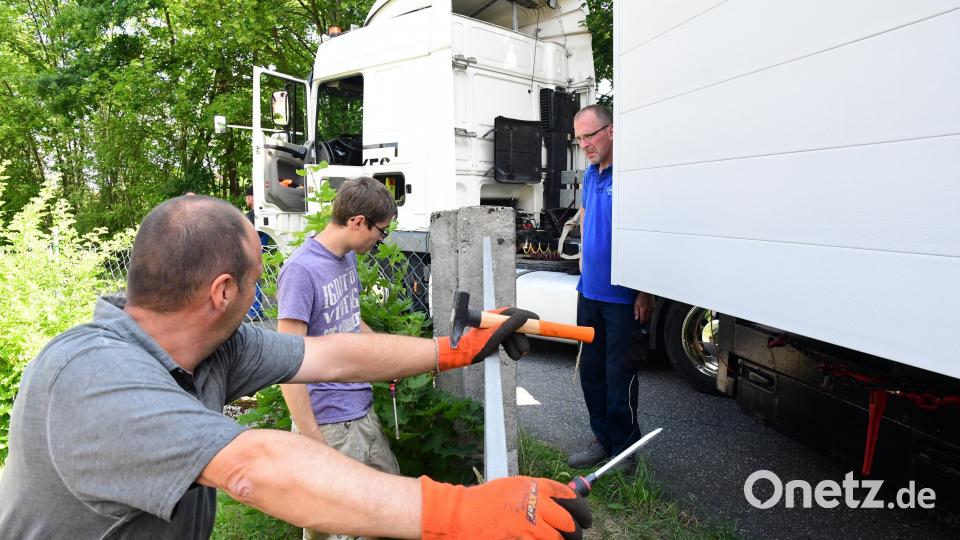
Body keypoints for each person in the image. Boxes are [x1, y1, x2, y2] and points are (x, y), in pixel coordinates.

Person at [0, 195, 592, 539]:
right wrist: (460, 512)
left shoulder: (212, 346)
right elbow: (253, 467)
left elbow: (334, 353)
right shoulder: (89, 377)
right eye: (257, 277)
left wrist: (451, 350)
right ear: (222, 292)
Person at [276, 178, 400, 540]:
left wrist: (388, 357)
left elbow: (348, 320)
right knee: (335, 529)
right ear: (358, 222)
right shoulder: (301, 271)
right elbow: (287, 364)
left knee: (392, 513)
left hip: (361, 412)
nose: (380, 239)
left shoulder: (345, 259)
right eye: (381, 232)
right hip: (328, 425)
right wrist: (313, 440)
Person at [567, 105, 655, 472]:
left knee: (619, 377)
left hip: (621, 299)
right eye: (579, 139)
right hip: (589, 294)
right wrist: (584, 263)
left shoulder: (632, 176)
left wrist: (645, 290)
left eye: (590, 135)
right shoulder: (590, 175)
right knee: (592, 374)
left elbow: (645, 232)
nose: (584, 144)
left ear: (612, 131)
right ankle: (603, 440)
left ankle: (624, 449)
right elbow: (587, 218)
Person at [244, 185, 267, 319]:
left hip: (254, 248)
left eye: (247, 197)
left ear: (252, 198)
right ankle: (255, 310)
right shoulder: (260, 213)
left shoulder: (254, 215)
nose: (246, 200)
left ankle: (255, 311)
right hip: (259, 246)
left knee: (253, 277)